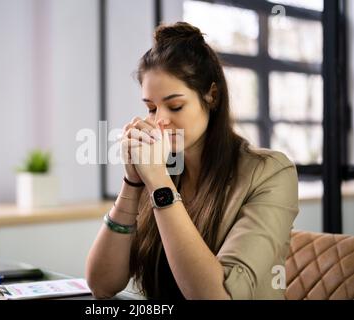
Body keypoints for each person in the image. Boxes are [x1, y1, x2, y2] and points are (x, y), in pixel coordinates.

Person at [85, 21, 299, 300]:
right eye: (151, 108)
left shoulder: (270, 173)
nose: (159, 120)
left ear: (211, 95)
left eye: (175, 106)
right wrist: (132, 181)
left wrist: (159, 183)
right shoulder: (162, 169)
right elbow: (102, 285)